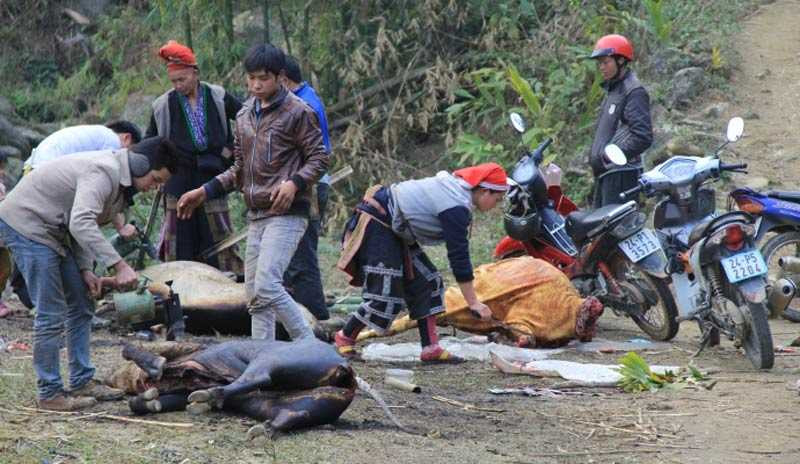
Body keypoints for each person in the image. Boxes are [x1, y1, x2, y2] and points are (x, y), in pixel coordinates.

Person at [0, 136, 179, 411]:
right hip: (27, 225)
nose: (152, 187)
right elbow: (81, 223)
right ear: (141, 165)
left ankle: (81, 379)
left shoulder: (120, 186)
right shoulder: (103, 171)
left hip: (54, 230)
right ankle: (49, 394)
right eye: (154, 179)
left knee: (83, 301)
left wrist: (85, 270)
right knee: (51, 311)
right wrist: (118, 265)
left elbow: (81, 223)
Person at [176, 43, 329, 342]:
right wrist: (203, 192)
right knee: (254, 297)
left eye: (264, 78)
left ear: (280, 77)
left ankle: (312, 347)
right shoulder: (245, 115)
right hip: (256, 213)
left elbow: (320, 159)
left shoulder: (299, 112)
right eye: (251, 78)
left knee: (269, 285)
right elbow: (239, 169)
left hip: (288, 212)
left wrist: (295, 182)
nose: (256, 85)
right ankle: (263, 358)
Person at [334, 162, 508, 363]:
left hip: (396, 228)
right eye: (497, 199)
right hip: (379, 224)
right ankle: (343, 338)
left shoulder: (458, 195)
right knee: (385, 294)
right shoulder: (455, 205)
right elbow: (459, 258)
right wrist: (473, 303)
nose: (497, 204)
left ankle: (430, 348)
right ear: (485, 191)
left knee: (428, 281)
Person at [147, 40, 243, 274]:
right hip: (178, 180)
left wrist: (229, 151)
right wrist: (157, 175)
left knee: (217, 239)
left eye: (183, 79)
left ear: (195, 73)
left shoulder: (218, 96)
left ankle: (223, 290)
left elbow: (246, 119)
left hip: (213, 178)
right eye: (174, 81)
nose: (178, 85)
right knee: (181, 243)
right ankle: (180, 293)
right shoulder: (162, 105)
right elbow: (150, 142)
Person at [280, 55, 332, 321]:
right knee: (296, 253)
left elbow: (315, 155)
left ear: (284, 80)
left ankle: (315, 314)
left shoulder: (303, 106)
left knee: (302, 255)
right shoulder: (305, 96)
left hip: (307, 186)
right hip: (306, 183)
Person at [587, 34, 653, 208]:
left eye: (606, 62)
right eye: (599, 63)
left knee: (616, 232)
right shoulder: (615, 90)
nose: (601, 67)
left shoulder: (634, 91)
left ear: (621, 61)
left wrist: (611, 156)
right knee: (599, 231)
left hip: (622, 175)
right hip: (607, 175)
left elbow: (642, 136)